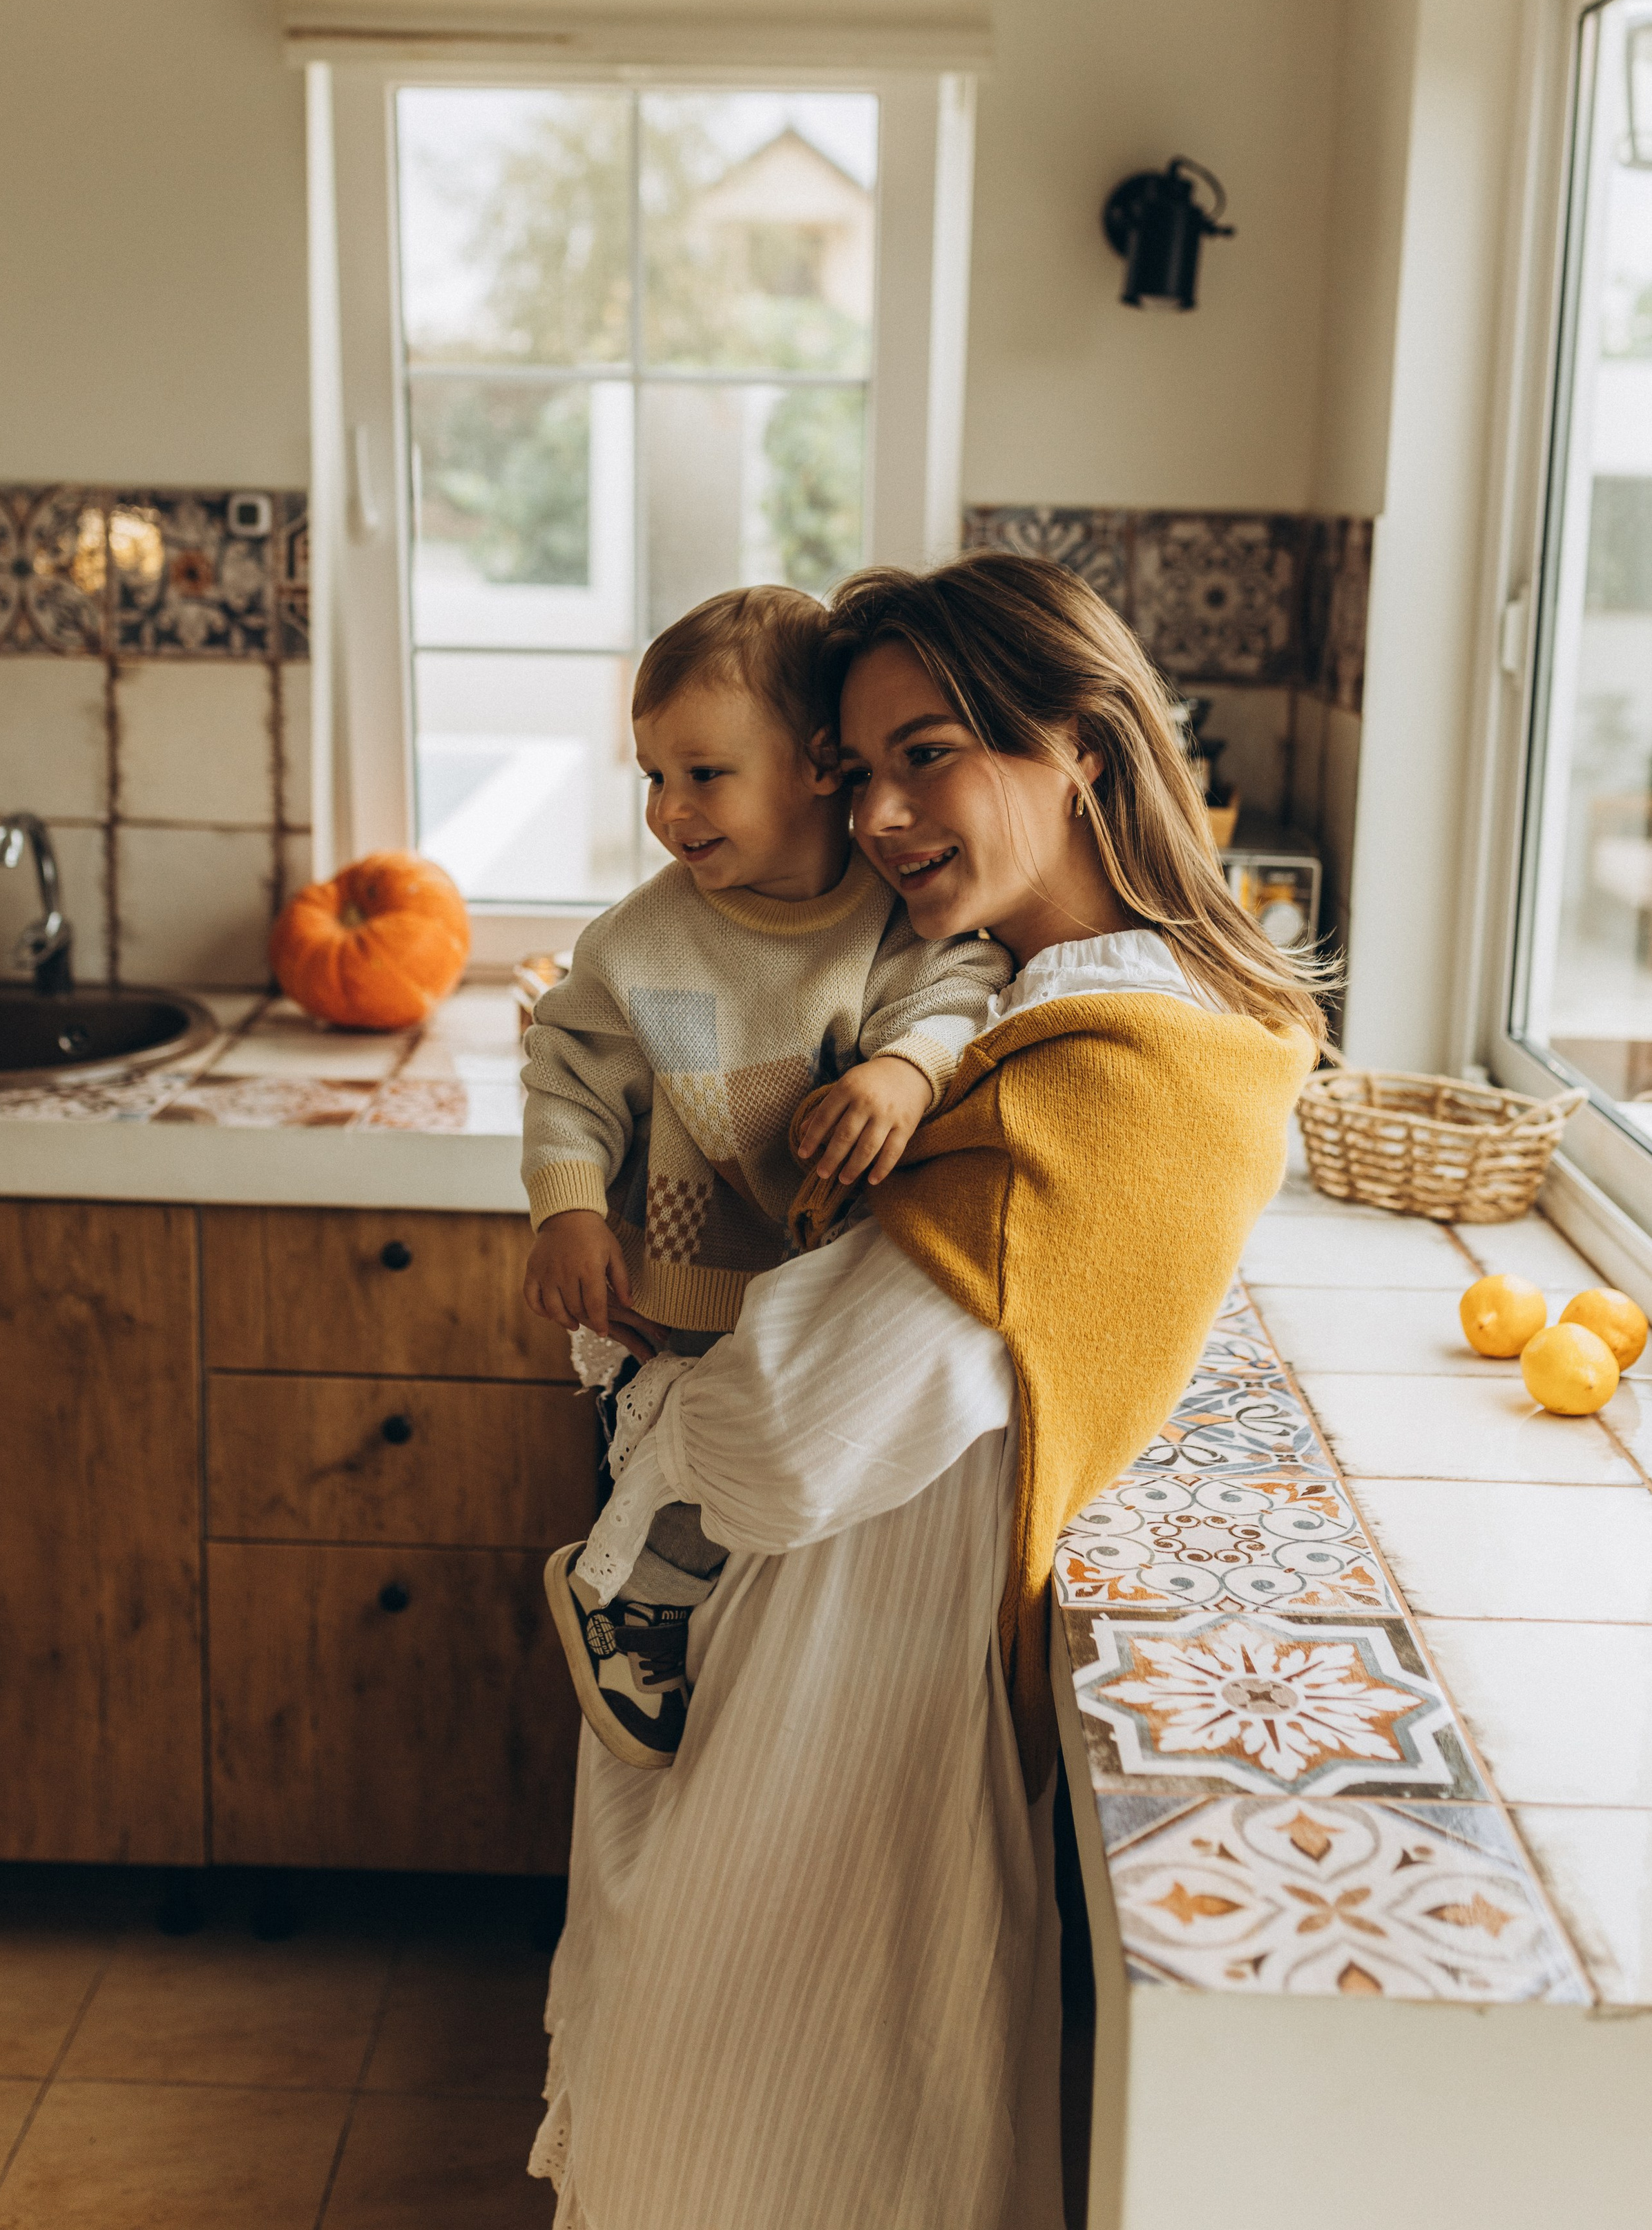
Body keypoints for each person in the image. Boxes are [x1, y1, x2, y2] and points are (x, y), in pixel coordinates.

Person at [530, 553, 1325, 2230]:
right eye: (853, 768)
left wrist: (654, 1422)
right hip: (810, 1671)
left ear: (1081, 746)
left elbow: (788, 1436)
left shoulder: (1113, 1067)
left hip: (838, 1712)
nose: (880, 815)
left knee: (750, 2153)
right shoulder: (1014, 1003)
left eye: (928, 753)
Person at [520, 584, 1008, 1763]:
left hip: (828, 1283)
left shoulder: (895, 917)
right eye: (652, 777)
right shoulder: (639, 943)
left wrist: (903, 1072)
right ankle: (618, 1597)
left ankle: (671, 1624)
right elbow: (568, 1068)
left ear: (819, 768)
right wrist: (568, 1210)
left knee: (771, 1498)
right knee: (684, 1471)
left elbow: (966, 988)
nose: (670, 810)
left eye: (704, 774)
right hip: (688, 1274)